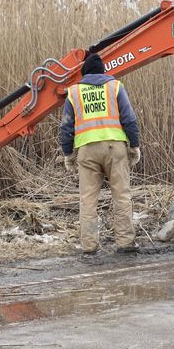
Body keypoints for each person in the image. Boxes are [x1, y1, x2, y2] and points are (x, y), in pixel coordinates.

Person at [59, 53, 141, 257]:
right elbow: (129, 119)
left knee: (87, 200)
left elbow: (66, 126)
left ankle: (89, 246)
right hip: (115, 148)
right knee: (121, 196)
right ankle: (125, 243)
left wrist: (68, 153)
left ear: (84, 72)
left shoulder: (74, 92)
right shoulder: (115, 87)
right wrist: (135, 145)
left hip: (87, 151)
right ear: (103, 71)